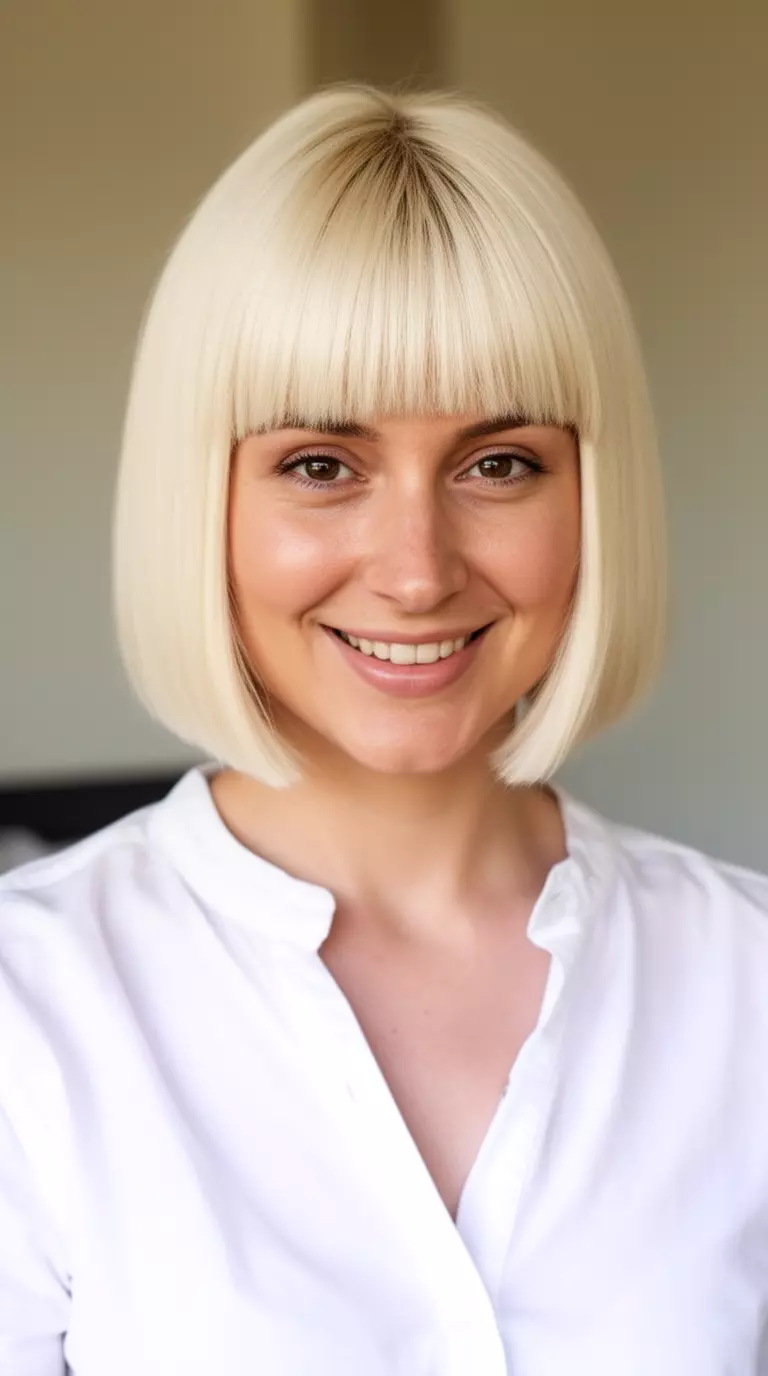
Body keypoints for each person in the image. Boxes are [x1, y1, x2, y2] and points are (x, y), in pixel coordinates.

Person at [1, 83, 766, 1376]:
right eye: (321, 465)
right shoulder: (30, 1014)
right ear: (207, 499)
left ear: (595, 497)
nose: (416, 571)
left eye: (498, 463)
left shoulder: (746, 987)